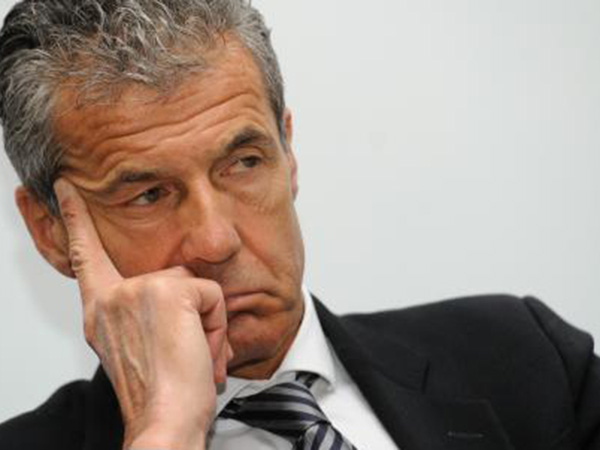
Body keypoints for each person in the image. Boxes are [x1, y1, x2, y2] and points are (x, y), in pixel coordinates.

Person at [0, 0, 598, 449]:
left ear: (288, 153)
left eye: (243, 163)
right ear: (52, 232)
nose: (217, 241)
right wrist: (166, 429)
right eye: (148, 195)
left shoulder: (526, 359)